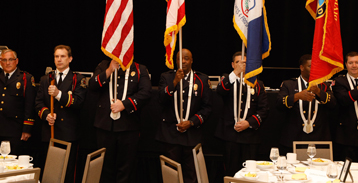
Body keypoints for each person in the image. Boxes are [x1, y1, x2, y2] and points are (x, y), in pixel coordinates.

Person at [88, 58, 152, 183]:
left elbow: (146, 92)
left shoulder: (139, 69)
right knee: (104, 167)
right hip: (105, 126)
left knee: (126, 168)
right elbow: (92, 85)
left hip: (129, 126)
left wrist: (126, 104)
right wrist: (109, 70)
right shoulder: (103, 65)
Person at [156, 48, 212, 183]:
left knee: (191, 175)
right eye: (179, 59)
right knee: (171, 176)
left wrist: (192, 122)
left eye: (186, 58)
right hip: (170, 135)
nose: (183, 61)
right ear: (175, 61)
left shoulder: (201, 79)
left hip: (192, 135)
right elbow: (161, 100)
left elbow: (207, 107)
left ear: (192, 60)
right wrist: (174, 82)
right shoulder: (167, 77)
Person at [35, 45, 86, 183]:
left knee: (68, 172)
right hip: (49, 131)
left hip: (68, 133)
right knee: (50, 171)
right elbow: (38, 103)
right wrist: (47, 115)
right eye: (56, 56)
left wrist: (58, 94)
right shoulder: (46, 78)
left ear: (70, 59)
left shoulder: (78, 79)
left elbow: (78, 102)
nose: (59, 59)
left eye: (63, 56)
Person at [215, 51, 269, 176]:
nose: (242, 65)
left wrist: (249, 123)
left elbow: (264, 109)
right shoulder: (228, 79)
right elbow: (220, 91)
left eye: (245, 63)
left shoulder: (257, 84)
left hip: (250, 136)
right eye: (238, 62)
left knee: (249, 173)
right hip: (229, 135)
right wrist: (235, 73)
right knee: (230, 172)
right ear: (233, 64)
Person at [276, 54, 336, 155]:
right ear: (302, 68)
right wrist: (297, 96)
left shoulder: (323, 85)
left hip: (319, 137)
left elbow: (333, 104)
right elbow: (278, 104)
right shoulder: (289, 84)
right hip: (294, 137)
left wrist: (318, 92)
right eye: (310, 66)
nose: (314, 69)